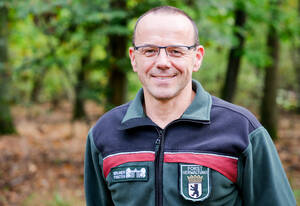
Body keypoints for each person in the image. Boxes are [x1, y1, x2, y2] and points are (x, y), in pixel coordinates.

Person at [84, 6, 296, 206]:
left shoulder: (243, 131)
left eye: (176, 51)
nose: (163, 62)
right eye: (149, 51)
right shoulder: (104, 134)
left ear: (197, 58)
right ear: (133, 59)